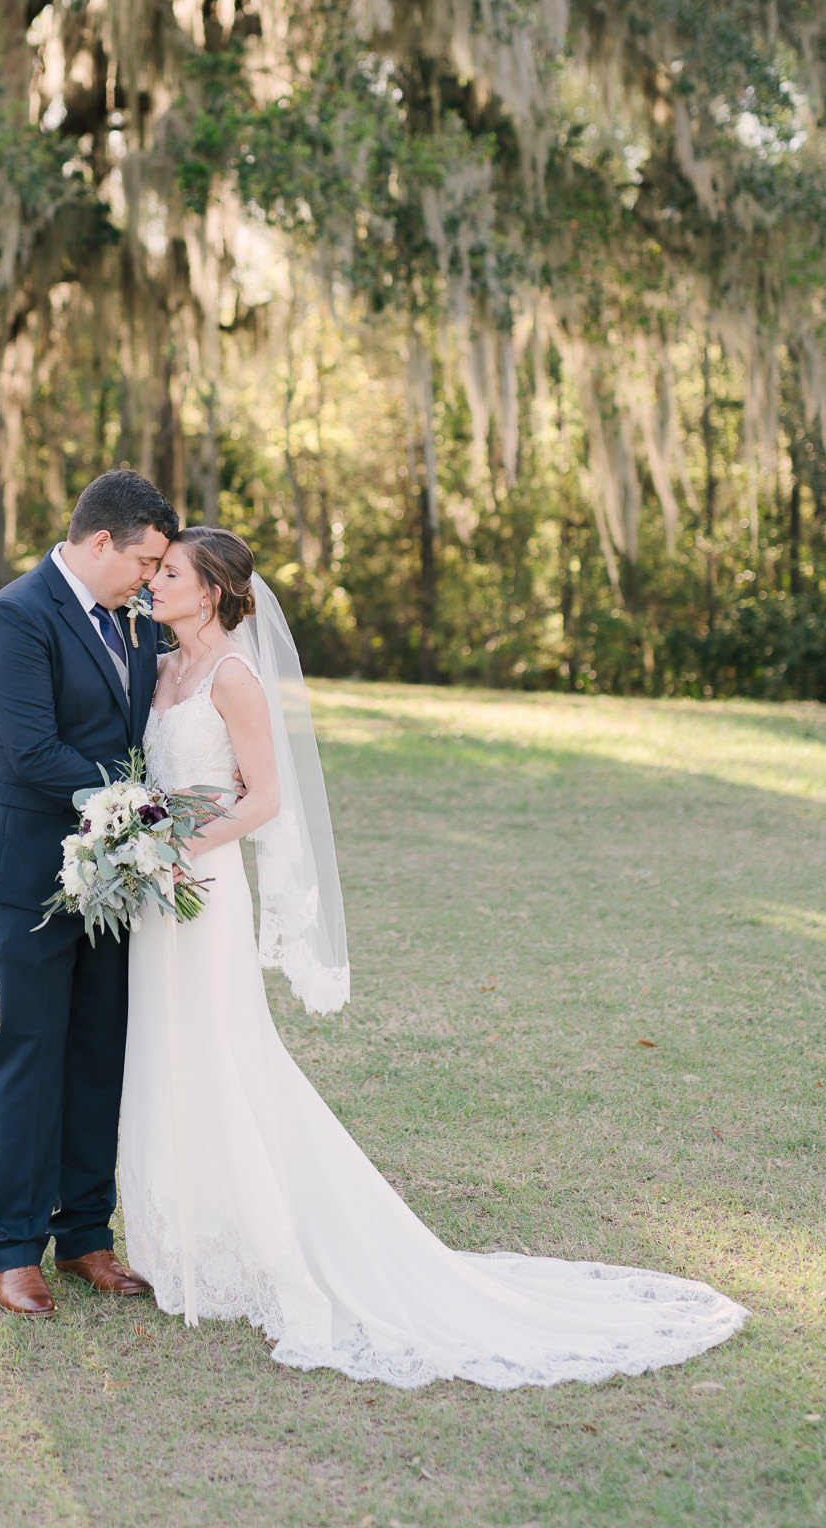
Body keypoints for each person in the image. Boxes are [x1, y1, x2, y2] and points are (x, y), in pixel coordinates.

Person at [118, 527, 749, 1388]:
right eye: (154, 571)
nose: (155, 582)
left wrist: (182, 848)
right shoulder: (158, 671)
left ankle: (257, 1237)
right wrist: (133, 835)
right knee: (163, 1052)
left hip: (203, 887)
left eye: (172, 573)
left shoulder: (233, 678)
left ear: (216, 591)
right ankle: (178, 1239)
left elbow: (264, 799)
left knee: (222, 1052)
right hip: (156, 895)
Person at [0, 468, 178, 1316]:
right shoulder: (16, 614)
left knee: (98, 1051)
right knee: (33, 1047)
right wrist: (139, 808)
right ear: (99, 543)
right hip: (26, 871)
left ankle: (85, 1233)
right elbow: (32, 750)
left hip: (115, 871)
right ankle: (12, 1247)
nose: (152, 579)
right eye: (145, 562)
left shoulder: (133, 619)